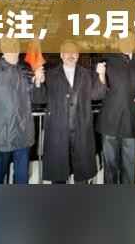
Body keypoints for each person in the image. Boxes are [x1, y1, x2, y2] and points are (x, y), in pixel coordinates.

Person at [34, 40, 107, 183]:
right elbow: (39, 99)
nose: (70, 55)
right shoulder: (50, 75)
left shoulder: (87, 74)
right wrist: (38, 82)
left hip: (81, 131)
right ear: (61, 55)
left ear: (78, 55)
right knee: (58, 177)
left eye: (74, 52)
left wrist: (101, 76)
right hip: (57, 133)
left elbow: (97, 95)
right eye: (67, 52)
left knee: (82, 178)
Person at [0, 36, 43, 184]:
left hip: (23, 136)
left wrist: (38, 82)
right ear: (2, 48)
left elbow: (37, 99)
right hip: (0, 138)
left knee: (22, 180)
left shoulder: (26, 71)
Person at [96, 32, 135, 184]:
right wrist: (100, 76)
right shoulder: (106, 60)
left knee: (130, 168)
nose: (127, 42)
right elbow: (98, 90)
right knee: (110, 169)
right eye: (123, 39)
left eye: (130, 39)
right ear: (118, 42)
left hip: (131, 121)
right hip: (109, 122)